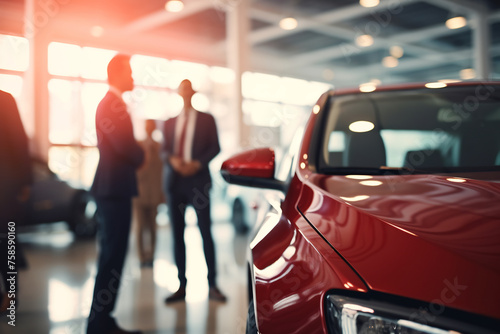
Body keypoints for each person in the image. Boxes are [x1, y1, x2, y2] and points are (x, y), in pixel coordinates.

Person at [86, 54, 144, 334]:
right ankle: (98, 324)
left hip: (113, 189)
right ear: (117, 73)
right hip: (113, 189)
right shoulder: (113, 105)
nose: (133, 77)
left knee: (113, 255)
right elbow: (125, 147)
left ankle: (103, 320)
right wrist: (143, 152)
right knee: (111, 256)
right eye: (129, 71)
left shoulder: (113, 104)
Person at [161, 79, 226, 303]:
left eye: (189, 89)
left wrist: (197, 163)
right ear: (179, 93)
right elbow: (164, 150)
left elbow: (216, 147)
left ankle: (213, 285)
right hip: (175, 182)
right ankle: (181, 286)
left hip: (198, 181)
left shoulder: (207, 119)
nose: (185, 92)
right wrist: (173, 160)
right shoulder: (169, 122)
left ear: (193, 93)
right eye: (182, 89)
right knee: (177, 235)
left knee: (205, 232)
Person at [0, 90, 32, 313]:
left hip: (5, 187)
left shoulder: (5, 100)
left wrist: (25, 182)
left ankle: (11, 295)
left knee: (7, 241)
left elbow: (20, 141)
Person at [134, 119, 164, 268]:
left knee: (152, 227)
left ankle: (151, 256)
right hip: (139, 194)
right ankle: (141, 257)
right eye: (147, 126)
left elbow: (162, 171)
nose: (149, 129)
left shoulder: (160, 147)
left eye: (151, 126)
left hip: (154, 193)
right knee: (140, 228)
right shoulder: (137, 146)